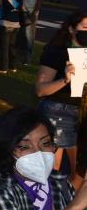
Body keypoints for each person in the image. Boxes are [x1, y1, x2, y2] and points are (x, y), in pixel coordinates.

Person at [35, 10, 87, 186]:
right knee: (54, 172)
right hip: (59, 111)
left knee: (80, 174)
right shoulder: (57, 52)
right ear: (72, 29)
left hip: (82, 117)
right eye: (85, 27)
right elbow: (41, 90)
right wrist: (65, 79)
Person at [18, 0, 44, 66]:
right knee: (19, 35)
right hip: (19, 11)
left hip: (30, 12)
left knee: (29, 36)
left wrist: (34, 13)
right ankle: (18, 55)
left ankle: (27, 59)